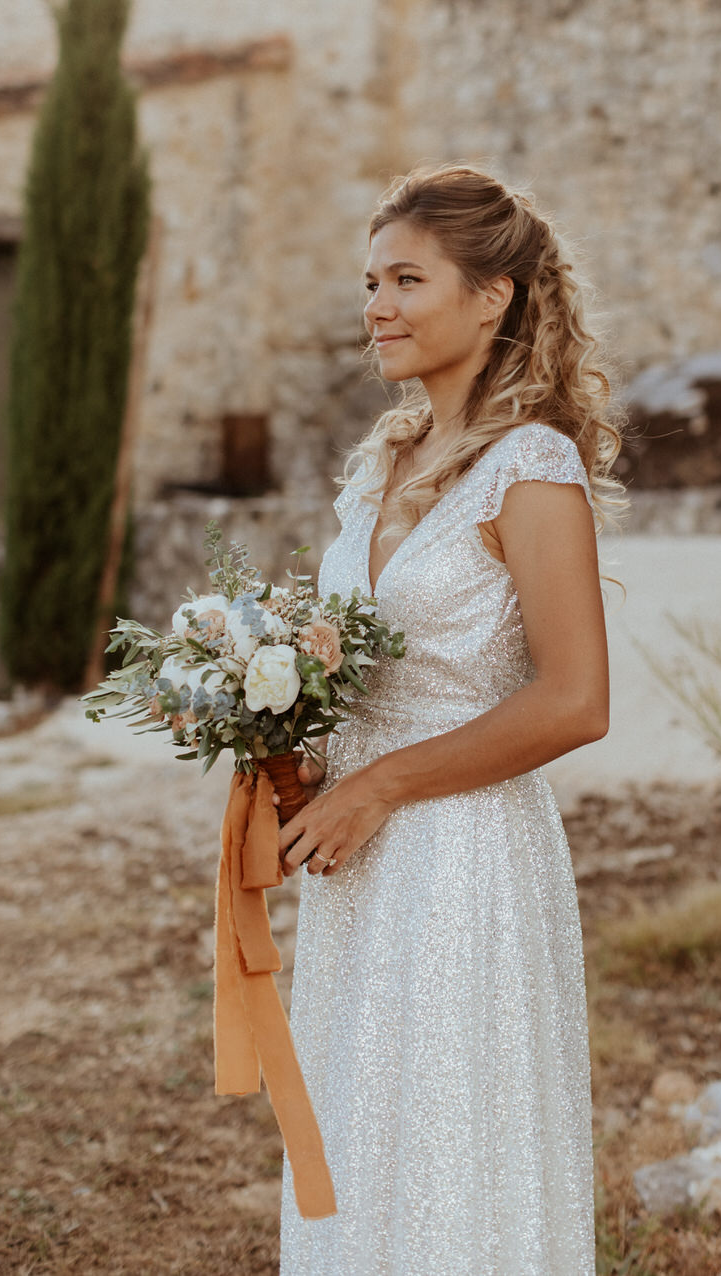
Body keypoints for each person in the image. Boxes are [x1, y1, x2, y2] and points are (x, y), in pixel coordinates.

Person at [275, 164, 627, 1274]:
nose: (375, 307)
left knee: (450, 1146)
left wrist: (381, 785)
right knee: (361, 1133)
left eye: (405, 280)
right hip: (357, 866)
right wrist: (292, 758)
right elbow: (365, 671)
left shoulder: (532, 466)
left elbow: (576, 699)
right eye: (369, 283)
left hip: (465, 858)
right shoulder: (381, 464)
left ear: (492, 297)